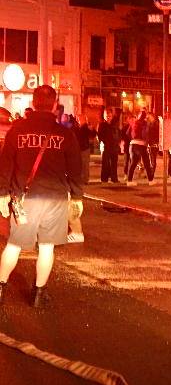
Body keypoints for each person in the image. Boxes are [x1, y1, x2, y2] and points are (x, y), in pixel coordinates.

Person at [0, 85, 83, 307]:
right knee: (47, 247)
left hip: (24, 198)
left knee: (14, 245)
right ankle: (38, 294)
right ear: (55, 105)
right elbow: (76, 168)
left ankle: (0, 287)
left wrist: (2, 194)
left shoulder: (17, 131)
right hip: (54, 198)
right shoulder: (64, 134)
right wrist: (77, 197)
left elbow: (6, 163)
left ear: (34, 102)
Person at [127, 111, 155, 186]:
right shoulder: (145, 123)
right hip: (141, 144)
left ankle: (129, 181)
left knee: (133, 163)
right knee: (146, 163)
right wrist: (148, 143)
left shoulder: (134, 123)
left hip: (133, 144)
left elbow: (128, 133)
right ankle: (150, 180)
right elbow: (145, 134)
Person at [97, 109, 121, 183]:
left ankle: (114, 178)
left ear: (111, 116)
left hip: (114, 146)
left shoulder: (115, 124)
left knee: (114, 163)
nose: (108, 117)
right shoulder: (102, 125)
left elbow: (118, 133)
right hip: (106, 146)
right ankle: (104, 178)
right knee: (105, 163)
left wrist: (119, 142)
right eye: (106, 116)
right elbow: (99, 135)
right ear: (104, 116)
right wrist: (102, 142)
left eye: (109, 116)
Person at [76, 115, 97, 185]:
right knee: (81, 164)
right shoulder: (78, 126)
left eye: (80, 119)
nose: (79, 120)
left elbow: (93, 134)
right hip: (79, 148)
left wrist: (92, 129)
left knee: (85, 164)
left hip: (84, 148)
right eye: (78, 119)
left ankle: (85, 179)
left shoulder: (85, 127)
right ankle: (82, 178)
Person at [147, 112, 160, 178]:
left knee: (152, 159)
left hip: (153, 144)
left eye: (148, 116)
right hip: (149, 143)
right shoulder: (149, 123)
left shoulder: (155, 123)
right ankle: (150, 173)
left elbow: (157, 133)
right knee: (150, 159)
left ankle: (151, 173)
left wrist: (157, 142)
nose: (147, 117)